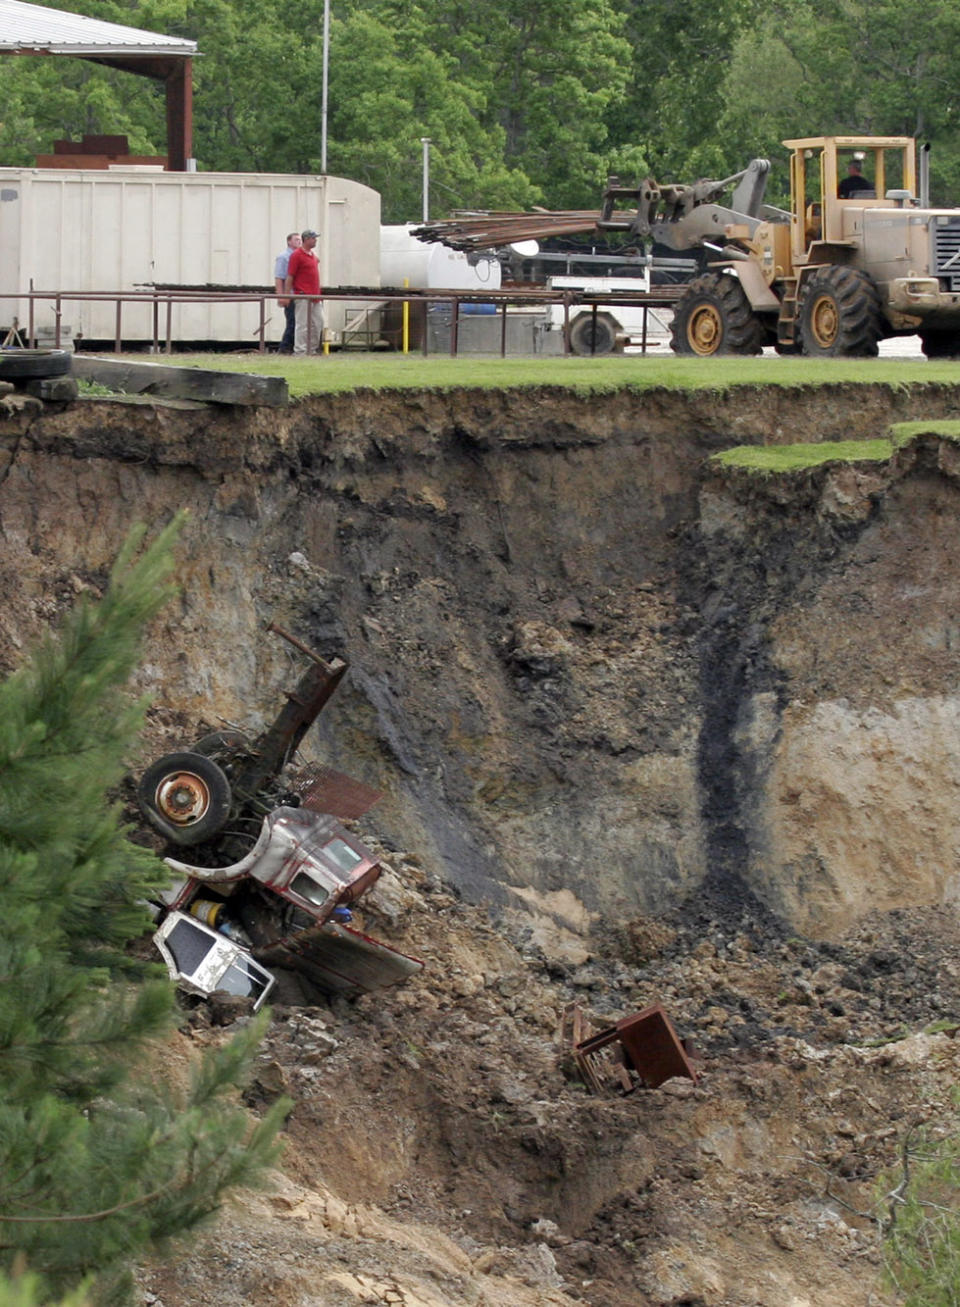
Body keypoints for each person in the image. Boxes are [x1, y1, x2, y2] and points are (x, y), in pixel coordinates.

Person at [285, 228, 323, 355]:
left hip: (315, 296)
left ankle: (311, 349)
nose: (315, 240)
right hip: (302, 295)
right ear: (306, 239)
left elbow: (317, 261)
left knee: (318, 323)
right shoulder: (296, 255)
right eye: (313, 238)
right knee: (302, 324)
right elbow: (290, 276)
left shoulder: (312, 255)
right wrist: (286, 295)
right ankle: (300, 350)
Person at [274, 232, 301, 353]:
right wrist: (282, 296)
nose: (299, 241)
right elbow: (279, 278)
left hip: (299, 294)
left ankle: (294, 347)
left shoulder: (300, 256)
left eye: (300, 239)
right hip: (289, 294)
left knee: (299, 322)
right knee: (292, 322)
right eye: (296, 239)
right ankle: (284, 348)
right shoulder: (284, 257)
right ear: (289, 241)